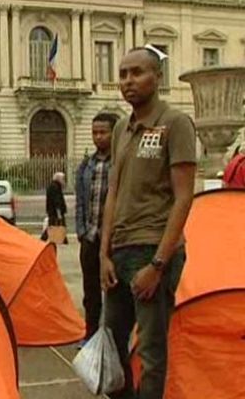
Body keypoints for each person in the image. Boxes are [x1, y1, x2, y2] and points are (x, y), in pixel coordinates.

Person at [99, 47, 196, 399]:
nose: (128, 81)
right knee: (111, 344)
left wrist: (158, 264)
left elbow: (184, 197)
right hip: (118, 253)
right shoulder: (122, 127)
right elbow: (113, 193)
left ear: (157, 77)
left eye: (137, 73)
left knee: (152, 351)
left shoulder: (175, 123)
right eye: (123, 74)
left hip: (152, 250)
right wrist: (103, 255)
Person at [75, 113, 117, 345]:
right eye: (94, 132)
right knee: (90, 292)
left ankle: (113, 336)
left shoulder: (119, 163)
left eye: (103, 132)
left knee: (115, 291)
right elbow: (80, 201)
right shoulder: (86, 166)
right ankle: (90, 334)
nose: (98, 137)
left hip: (113, 239)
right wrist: (81, 231)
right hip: (90, 238)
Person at [42, 172, 67, 242]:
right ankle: (63, 239)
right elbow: (57, 200)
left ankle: (62, 239)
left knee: (53, 225)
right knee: (57, 225)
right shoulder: (55, 187)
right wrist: (59, 212)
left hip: (52, 211)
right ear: (59, 179)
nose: (64, 181)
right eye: (63, 179)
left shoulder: (53, 186)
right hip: (55, 211)